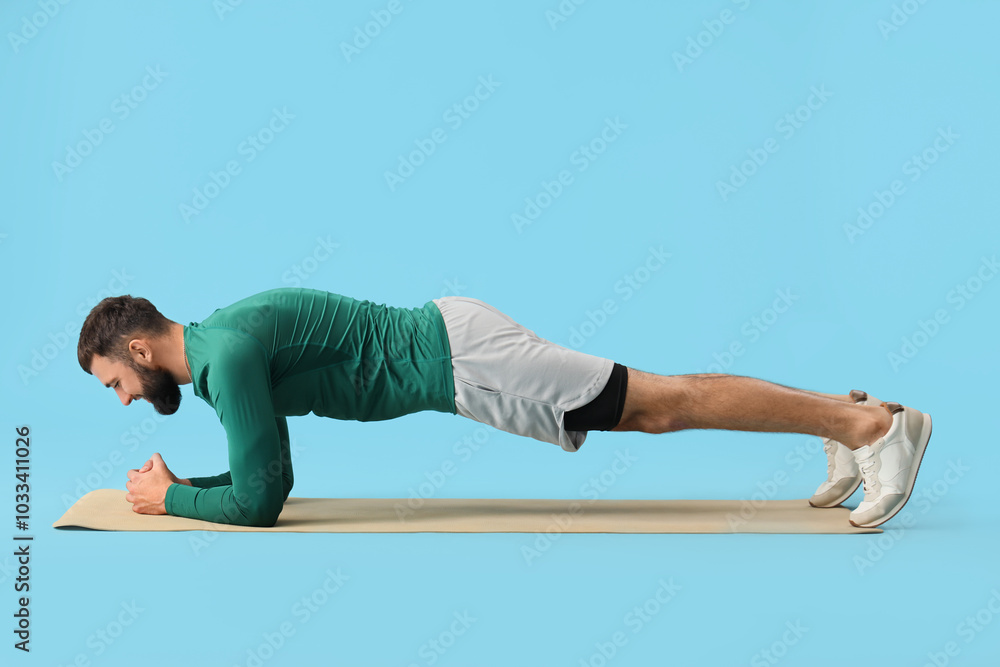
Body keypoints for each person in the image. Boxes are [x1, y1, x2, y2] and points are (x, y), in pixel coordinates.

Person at [76, 287, 932, 529]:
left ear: (141, 349)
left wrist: (171, 498)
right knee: (648, 408)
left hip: (463, 364)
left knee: (660, 405)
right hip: (458, 353)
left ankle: (873, 427)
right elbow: (264, 469)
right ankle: (848, 416)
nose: (122, 397)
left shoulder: (226, 360)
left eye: (114, 379)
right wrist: (187, 484)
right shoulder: (225, 347)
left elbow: (262, 501)